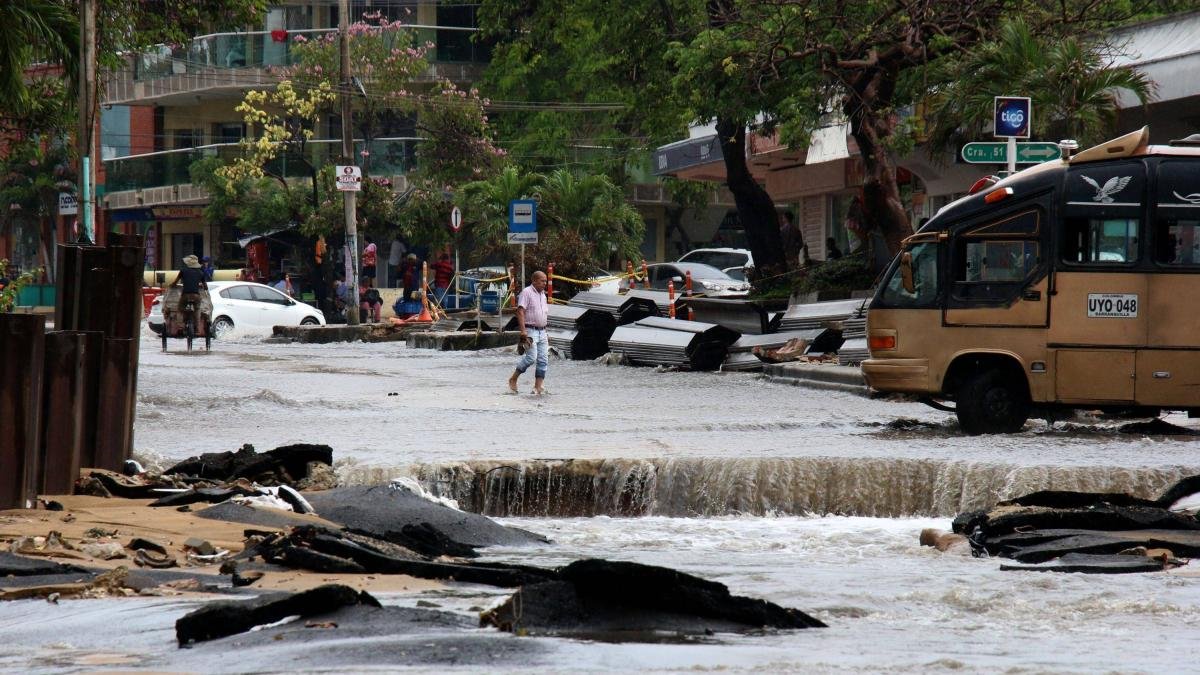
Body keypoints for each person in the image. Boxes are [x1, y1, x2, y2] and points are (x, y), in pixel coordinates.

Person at [507, 270, 550, 395]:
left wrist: (546, 332)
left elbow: (543, 314)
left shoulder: (543, 295)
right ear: (534, 280)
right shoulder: (527, 292)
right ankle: (513, 378)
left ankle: (538, 387)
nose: (545, 283)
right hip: (530, 330)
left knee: (543, 360)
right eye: (542, 281)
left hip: (542, 331)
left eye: (546, 281)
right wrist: (523, 331)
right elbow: (520, 311)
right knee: (531, 357)